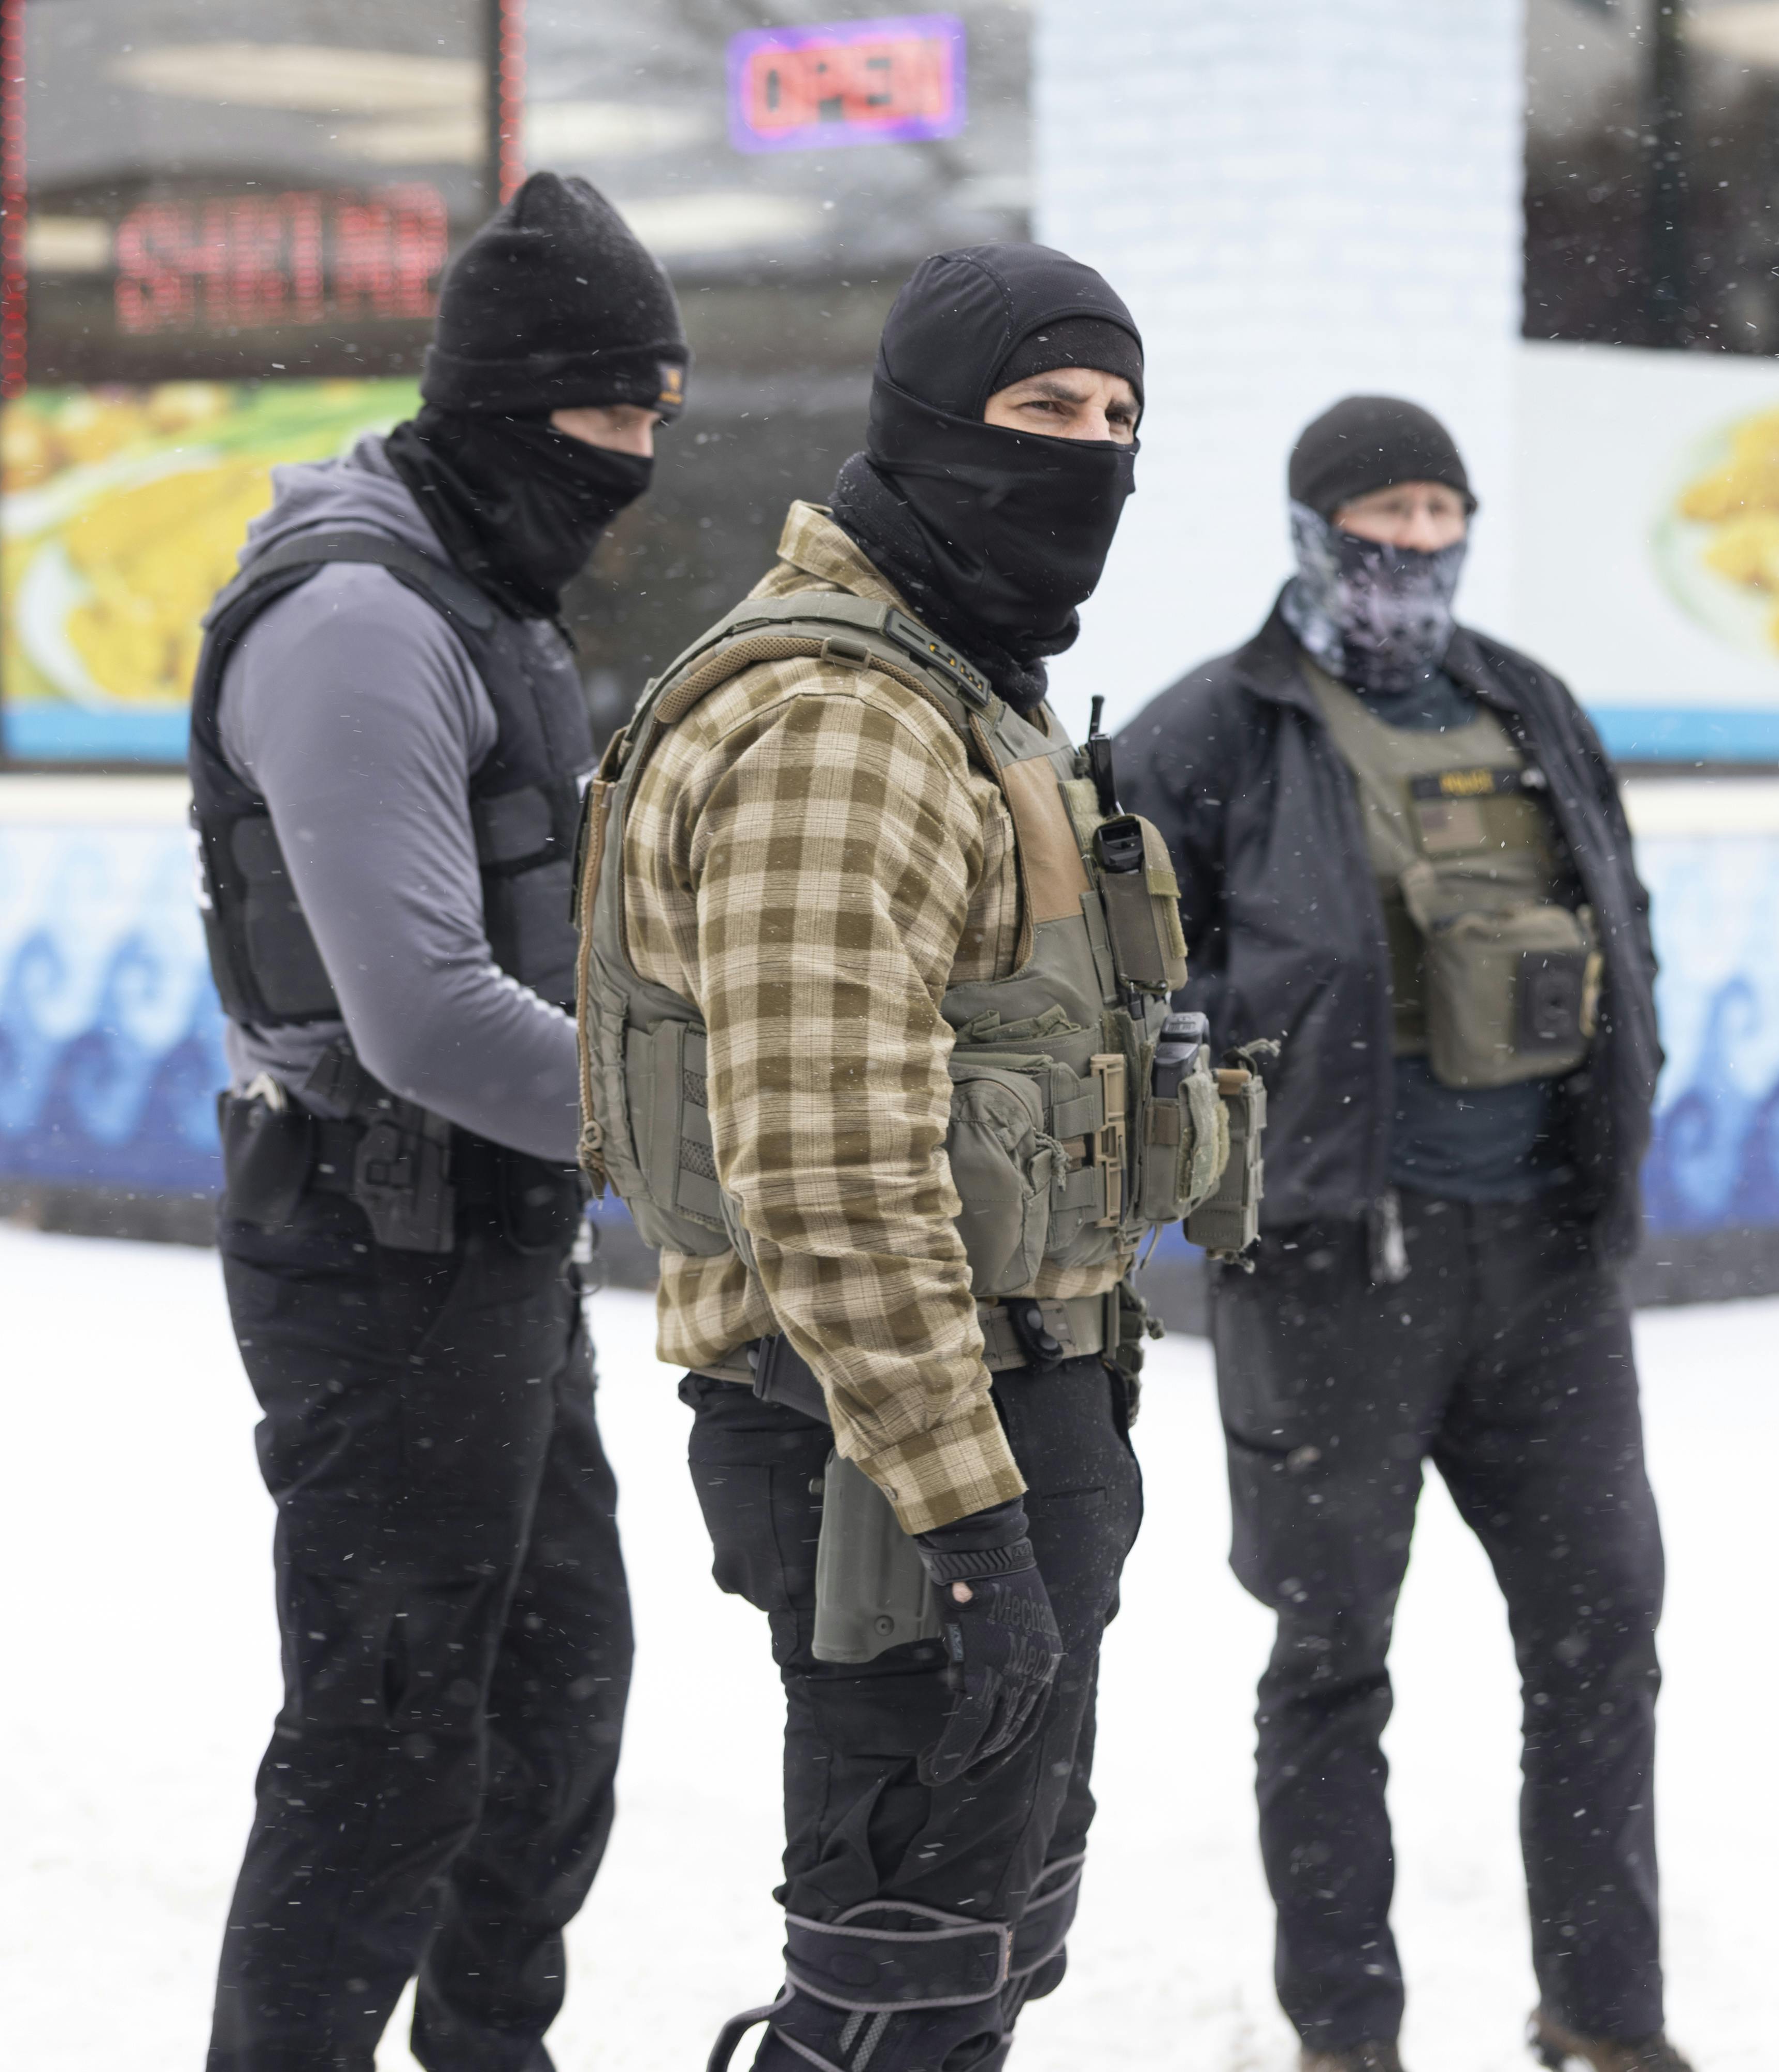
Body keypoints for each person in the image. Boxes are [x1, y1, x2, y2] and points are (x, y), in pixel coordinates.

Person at [572, 243, 1257, 2072]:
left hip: (1000, 1415)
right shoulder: (842, 726)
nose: (1090, 454)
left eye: (1119, 418)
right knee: (902, 1986)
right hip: (891, 1453)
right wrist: (975, 1529)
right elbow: (825, 1177)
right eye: (1046, 411)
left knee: (979, 1961)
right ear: (930, 426)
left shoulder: (966, 688)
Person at [1117, 397, 1679, 2072]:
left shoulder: (1531, 706)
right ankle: (1345, 2033)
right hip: (1333, 1269)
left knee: (1602, 1649)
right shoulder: (1212, 734)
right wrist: (1254, 1059)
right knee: (1329, 1660)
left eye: (1442, 510)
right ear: (1308, 525)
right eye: (1382, 511)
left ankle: (1607, 2019)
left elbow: (1622, 929)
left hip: (1550, 1267)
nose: (1414, 544)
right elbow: (1122, 994)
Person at [188, 172, 680, 2072]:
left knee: (557, 1702)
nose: (631, 461)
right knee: (387, 1738)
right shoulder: (360, 621)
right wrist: (710, 1122)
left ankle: (492, 2052)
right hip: (372, 1237)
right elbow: (420, 1017)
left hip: (496, 1237)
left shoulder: (490, 594)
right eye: (602, 415)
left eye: (657, 418)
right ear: (493, 403)